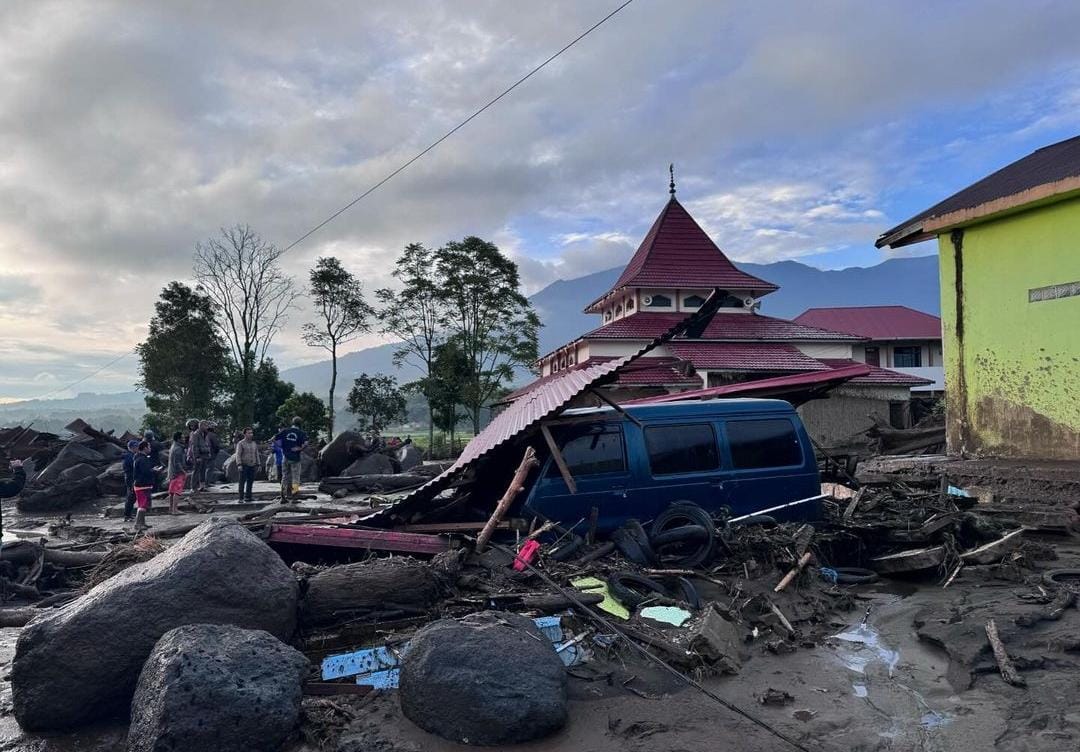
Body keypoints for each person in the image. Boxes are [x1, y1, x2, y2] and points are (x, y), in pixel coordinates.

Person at [273, 417, 307, 502]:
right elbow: (306, 443)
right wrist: (299, 449)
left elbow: (274, 438)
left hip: (285, 457)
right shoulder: (301, 433)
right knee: (295, 478)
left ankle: (282, 496)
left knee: (284, 477)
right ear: (300, 424)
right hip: (295, 458)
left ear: (292, 423)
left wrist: (282, 447)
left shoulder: (285, 431)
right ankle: (294, 496)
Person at [131, 441, 159, 532]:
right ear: (145, 448)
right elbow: (145, 472)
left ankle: (142, 523)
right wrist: (154, 470)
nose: (150, 449)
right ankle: (138, 524)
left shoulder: (139, 458)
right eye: (149, 447)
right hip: (142, 485)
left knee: (144, 505)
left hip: (143, 485)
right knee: (142, 505)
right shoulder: (142, 459)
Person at [235, 427, 260, 502]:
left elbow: (257, 454)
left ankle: (248, 496)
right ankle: (241, 497)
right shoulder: (241, 443)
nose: (251, 434)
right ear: (245, 434)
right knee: (242, 481)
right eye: (249, 433)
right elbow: (238, 454)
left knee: (250, 481)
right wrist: (239, 464)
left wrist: (258, 464)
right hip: (244, 465)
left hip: (252, 465)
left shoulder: (254, 443)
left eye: (251, 433)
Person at [166, 431, 187, 515]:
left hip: (172, 472)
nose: (184, 439)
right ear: (178, 439)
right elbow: (177, 463)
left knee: (171, 492)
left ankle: (171, 509)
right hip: (177, 473)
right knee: (177, 491)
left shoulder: (173, 446)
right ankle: (175, 509)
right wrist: (183, 472)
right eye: (182, 438)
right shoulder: (178, 449)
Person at [188, 420, 211, 492]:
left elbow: (207, 444)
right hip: (199, 456)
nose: (207, 427)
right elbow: (194, 446)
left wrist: (208, 452)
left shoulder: (205, 434)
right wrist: (197, 456)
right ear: (201, 426)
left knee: (203, 471)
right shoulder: (196, 434)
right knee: (196, 471)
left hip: (205, 454)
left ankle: (202, 487)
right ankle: (193, 487)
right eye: (205, 426)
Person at [121, 438, 140, 521]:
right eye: (136, 446)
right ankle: (127, 515)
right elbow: (132, 468)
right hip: (130, 478)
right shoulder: (129, 456)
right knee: (130, 497)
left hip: (131, 477)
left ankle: (129, 514)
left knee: (132, 497)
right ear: (132, 447)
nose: (137, 448)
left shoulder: (131, 455)